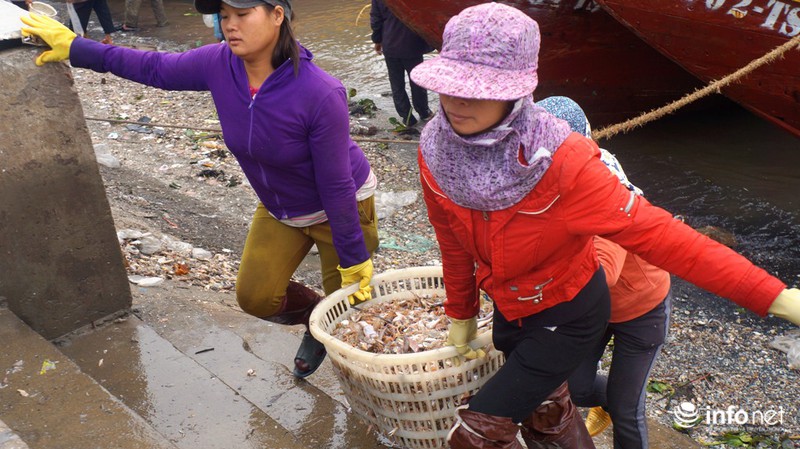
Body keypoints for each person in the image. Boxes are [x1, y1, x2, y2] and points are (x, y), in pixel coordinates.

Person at [408, 3, 800, 448]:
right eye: (449, 85)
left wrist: (773, 296)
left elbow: (662, 236)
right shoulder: (435, 150)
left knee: (477, 433)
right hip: (509, 305)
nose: (457, 101)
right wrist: (461, 311)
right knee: (546, 409)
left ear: (516, 93)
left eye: (477, 89)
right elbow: (452, 240)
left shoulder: (563, 161)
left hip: (568, 314)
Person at [21, 0, 379, 379]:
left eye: (242, 14)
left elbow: (335, 183)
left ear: (278, 15)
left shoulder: (320, 92)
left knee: (350, 313)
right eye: (224, 16)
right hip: (280, 206)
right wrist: (77, 47)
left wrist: (353, 256)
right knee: (256, 297)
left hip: (340, 206)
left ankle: (353, 363)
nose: (230, 25)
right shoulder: (219, 64)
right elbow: (154, 67)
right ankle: (315, 319)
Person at [538, 96, 673, 448]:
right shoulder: (547, 186)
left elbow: (604, 272)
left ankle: (621, 402)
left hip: (642, 309)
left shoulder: (606, 188)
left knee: (627, 411)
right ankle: (610, 398)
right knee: (577, 387)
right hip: (596, 311)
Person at [369, 0, 433, 127]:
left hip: (390, 45)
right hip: (412, 45)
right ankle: (424, 112)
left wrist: (377, 41)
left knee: (396, 84)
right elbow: (426, 14)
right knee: (417, 81)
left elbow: (376, 20)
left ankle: (407, 117)